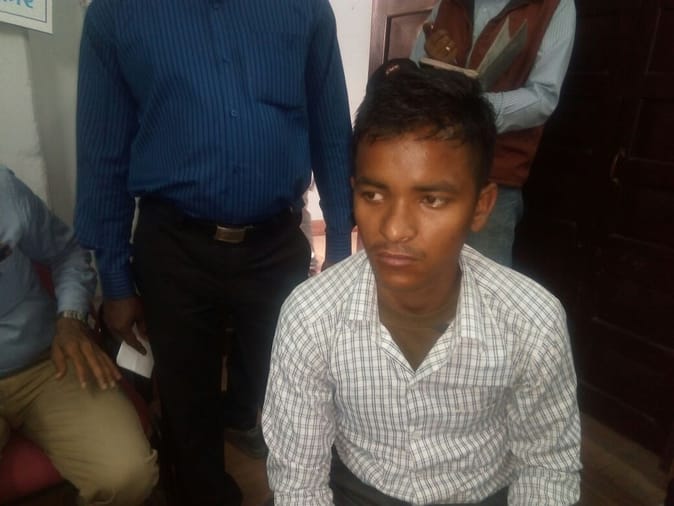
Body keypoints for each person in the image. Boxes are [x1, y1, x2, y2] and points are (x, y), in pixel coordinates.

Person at [262, 61, 581, 505]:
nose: (394, 229)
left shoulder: (531, 322)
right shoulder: (311, 317)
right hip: (357, 490)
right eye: (374, 195)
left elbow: (546, 467)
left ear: (481, 206)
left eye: (431, 199)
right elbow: (299, 482)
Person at [74, 1, 353, 504]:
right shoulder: (116, 14)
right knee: (187, 401)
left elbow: (331, 130)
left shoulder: (306, 8)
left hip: (276, 245)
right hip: (173, 248)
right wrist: (115, 280)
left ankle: (256, 437)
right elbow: (102, 155)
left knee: (293, 380)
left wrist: (339, 251)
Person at [0, 166, 158, 505]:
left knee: (127, 474)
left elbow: (66, 252)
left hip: (47, 362)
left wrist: (70, 319)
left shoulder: (4, 189)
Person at [410, 0, 576, 266]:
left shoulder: (555, 5)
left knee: (483, 279)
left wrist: (475, 110)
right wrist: (431, 64)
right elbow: (412, 80)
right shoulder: (448, 4)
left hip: (494, 178)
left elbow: (543, 97)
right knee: (422, 268)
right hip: (430, 167)